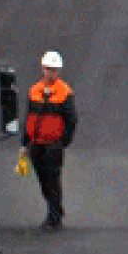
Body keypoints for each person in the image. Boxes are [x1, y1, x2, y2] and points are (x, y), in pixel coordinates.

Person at [19, 51, 77, 230]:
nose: (50, 72)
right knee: (43, 179)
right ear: (42, 69)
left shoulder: (65, 92)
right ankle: (55, 209)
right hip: (36, 144)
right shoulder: (34, 90)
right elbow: (30, 117)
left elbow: (71, 119)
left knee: (53, 179)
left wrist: (62, 143)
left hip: (53, 144)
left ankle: (54, 216)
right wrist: (24, 143)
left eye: (53, 70)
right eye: (47, 69)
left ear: (57, 71)